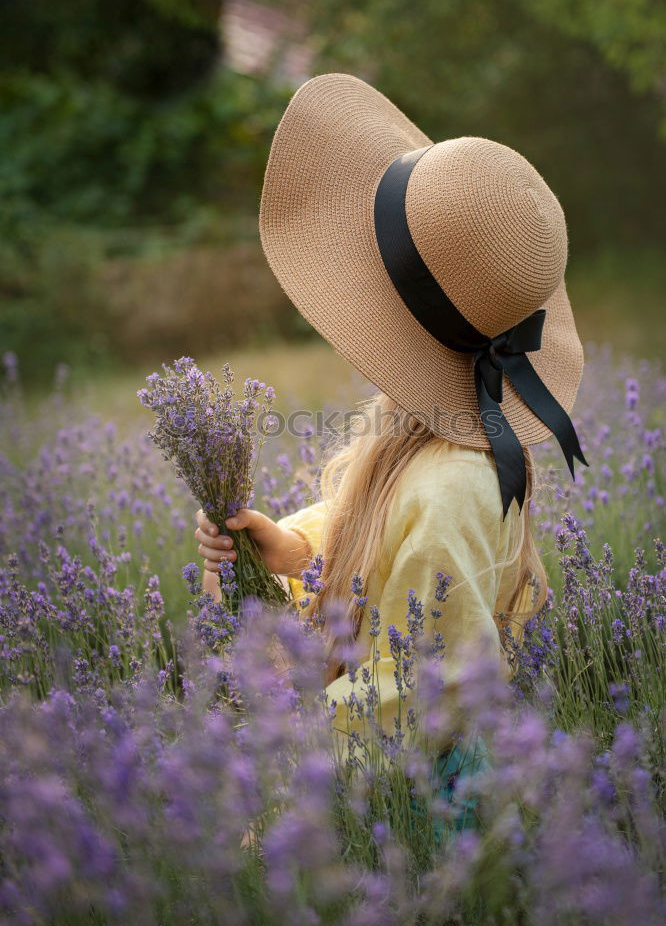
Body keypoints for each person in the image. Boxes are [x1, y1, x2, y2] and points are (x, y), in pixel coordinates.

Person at [194, 73, 587, 838]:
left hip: (403, 799)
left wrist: (274, 755)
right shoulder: (426, 430)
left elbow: (407, 693)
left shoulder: (454, 493)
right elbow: (375, 521)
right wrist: (293, 543)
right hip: (372, 755)